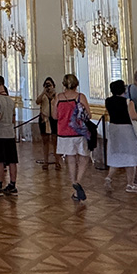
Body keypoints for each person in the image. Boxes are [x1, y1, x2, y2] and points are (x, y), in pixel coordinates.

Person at [53, 73, 91, 201]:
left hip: (63, 133)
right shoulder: (80, 97)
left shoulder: (58, 97)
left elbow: (54, 116)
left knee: (71, 159)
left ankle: (74, 185)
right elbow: (89, 115)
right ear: (77, 84)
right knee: (84, 158)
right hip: (79, 132)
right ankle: (78, 181)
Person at [103, 79, 137, 193]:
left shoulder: (108, 101)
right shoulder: (128, 101)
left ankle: (109, 178)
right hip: (126, 130)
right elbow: (133, 116)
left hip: (113, 128)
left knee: (116, 155)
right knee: (131, 156)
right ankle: (130, 184)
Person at [35, 77, 59, 170]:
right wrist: (44, 92)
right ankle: (45, 161)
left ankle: (57, 161)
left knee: (55, 141)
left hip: (54, 120)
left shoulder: (56, 95)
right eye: (46, 85)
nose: (48, 87)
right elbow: (37, 101)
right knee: (45, 141)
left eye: (50, 85)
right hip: (44, 119)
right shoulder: (43, 95)